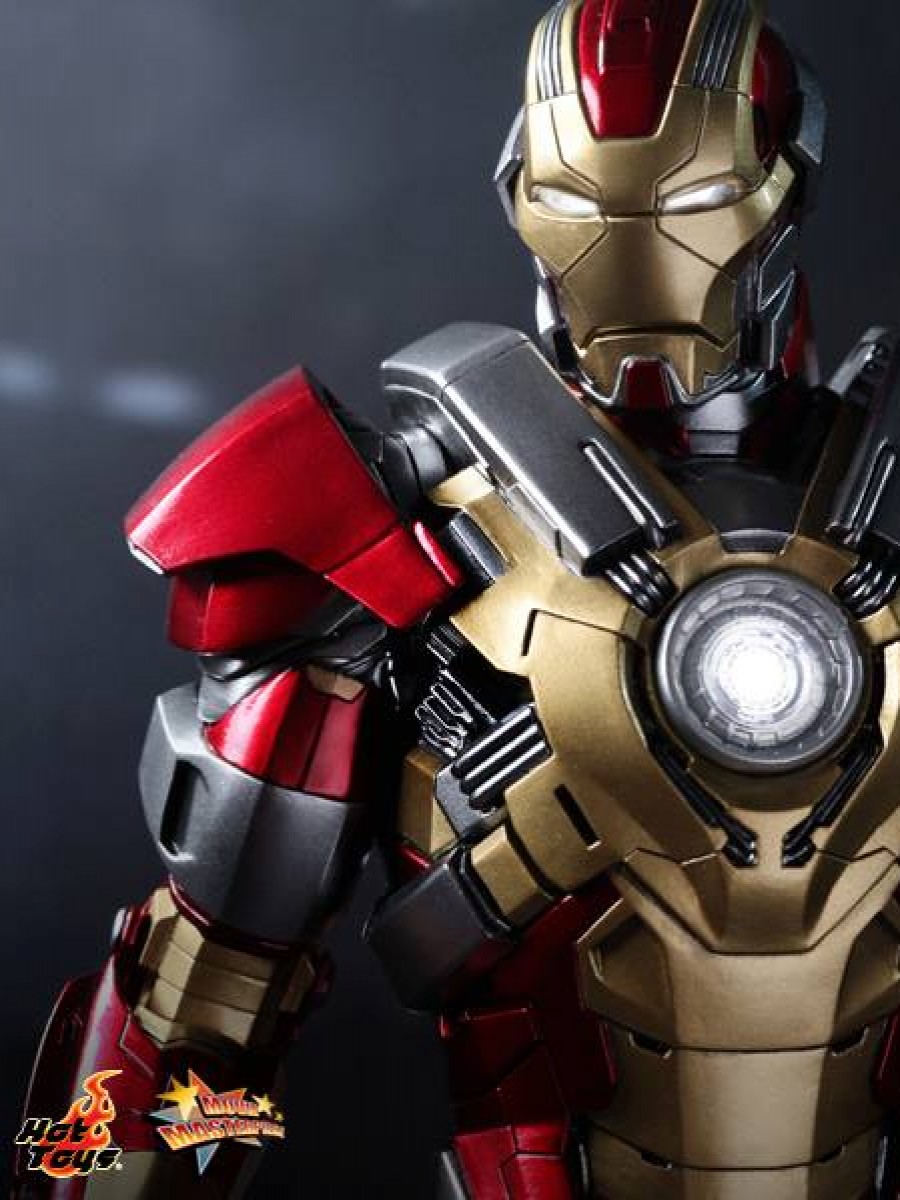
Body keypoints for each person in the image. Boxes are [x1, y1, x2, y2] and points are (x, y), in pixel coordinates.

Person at [16, 1, 900, 1197]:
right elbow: (204, 1002)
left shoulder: (876, 507)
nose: (640, 253)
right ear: (523, 197)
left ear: (783, 191)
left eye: (691, 201)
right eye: (584, 203)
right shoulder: (391, 538)